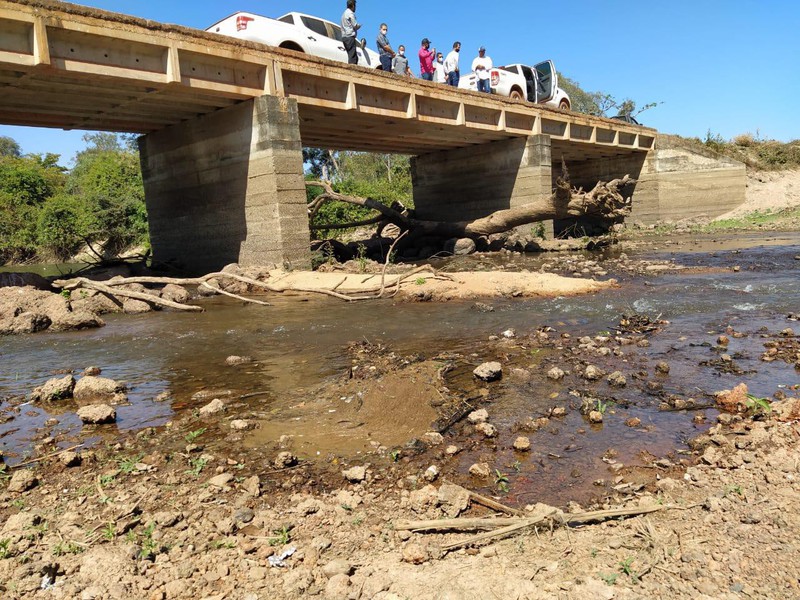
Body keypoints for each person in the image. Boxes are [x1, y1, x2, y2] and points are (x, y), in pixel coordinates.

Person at [341, 0, 361, 65]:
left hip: (344, 37)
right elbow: (355, 25)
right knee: (353, 58)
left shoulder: (344, 14)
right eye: (355, 6)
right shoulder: (350, 13)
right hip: (350, 37)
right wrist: (359, 26)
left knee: (352, 56)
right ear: (352, 6)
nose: (355, 8)